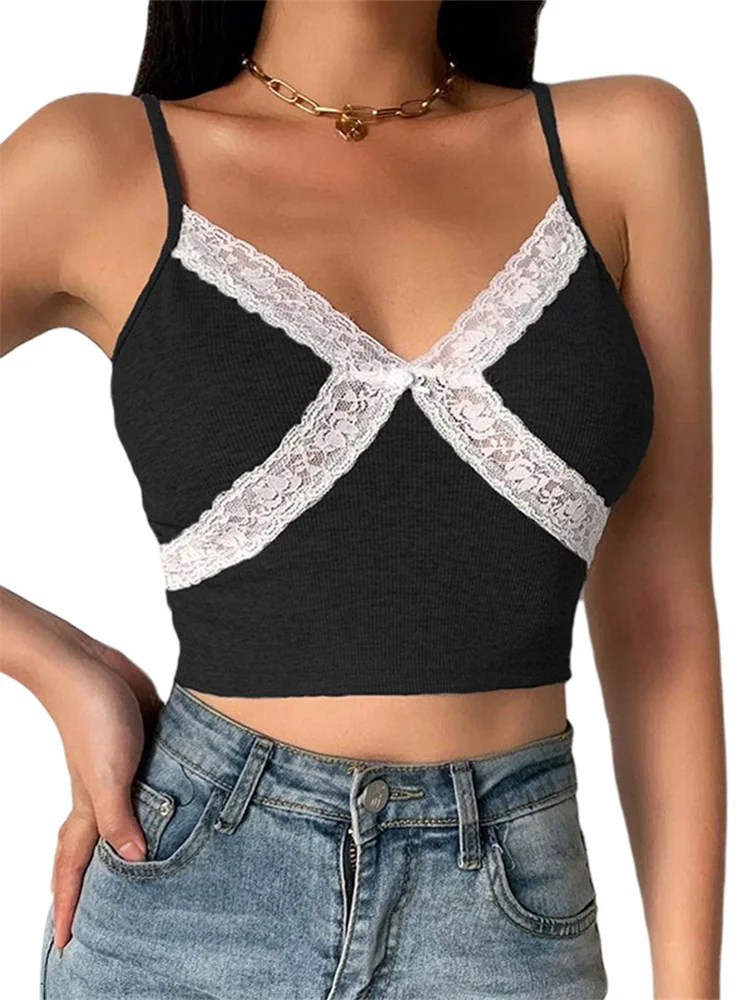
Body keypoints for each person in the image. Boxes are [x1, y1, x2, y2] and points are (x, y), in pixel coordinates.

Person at [0, 2, 725, 998]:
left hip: (506, 928)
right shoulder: (98, 161)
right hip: (185, 906)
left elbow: (661, 616)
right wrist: (56, 665)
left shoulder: (624, 146)